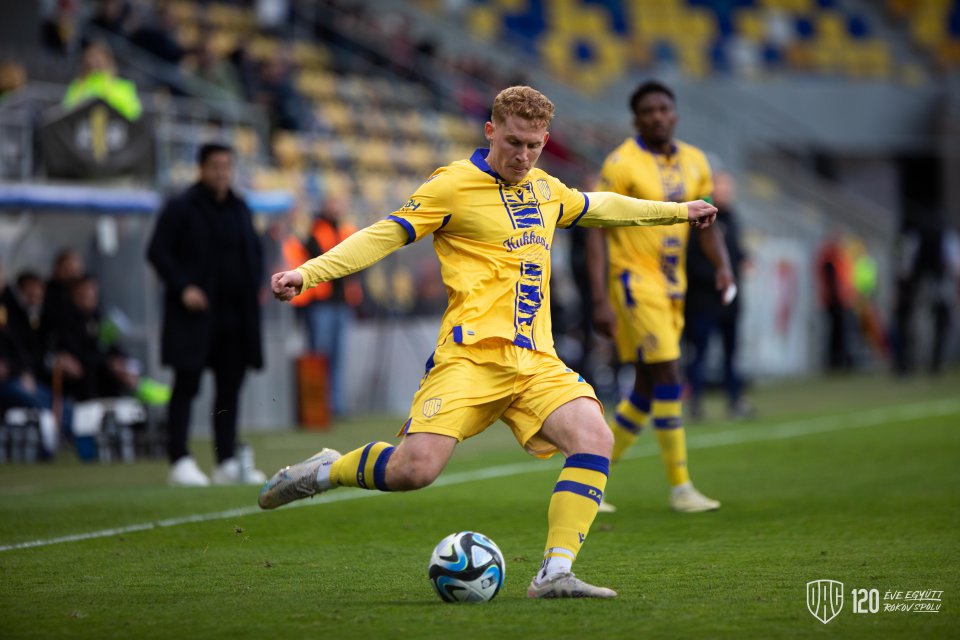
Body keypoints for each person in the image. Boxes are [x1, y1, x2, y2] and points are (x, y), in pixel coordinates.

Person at [260, 86, 717, 599]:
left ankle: (554, 572)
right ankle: (327, 470)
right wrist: (308, 273)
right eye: (514, 143)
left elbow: (602, 205)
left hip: (535, 360)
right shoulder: (452, 185)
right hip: (470, 358)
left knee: (595, 437)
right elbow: (383, 235)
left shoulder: (546, 189)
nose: (523, 156)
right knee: (414, 471)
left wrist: (678, 211)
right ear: (490, 131)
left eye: (534, 146)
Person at [585, 80, 733, 514]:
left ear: (675, 114)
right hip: (633, 283)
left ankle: (588, 480)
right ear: (636, 120)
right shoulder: (620, 163)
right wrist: (599, 299)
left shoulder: (696, 161)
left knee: (647, 391)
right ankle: (681, 488)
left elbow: (707, 221)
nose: (657, 116)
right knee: (670, 373)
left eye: (663, 109)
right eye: (648, 111)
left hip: (673, 285)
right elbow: (596, 231)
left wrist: (722, 265)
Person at [147, 143, 267, 487]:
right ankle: (179, 459)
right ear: (201, 168)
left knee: (229, 389)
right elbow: (157, 251)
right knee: (186, 386)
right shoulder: (182, 207)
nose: (221, 173)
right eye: (215, 166)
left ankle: (226, 460)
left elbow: (254, 254)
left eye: (227, 166)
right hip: (195, 317)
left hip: (235, 317)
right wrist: (183, 286)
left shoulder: (240, 208)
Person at [281, 196, 362, 417]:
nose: (336, 208)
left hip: (341, 303)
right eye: (332, 204)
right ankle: (317, 406)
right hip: (320, 303)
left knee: (338, 356)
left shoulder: (345, 230)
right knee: (319, 356)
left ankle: (336, 405)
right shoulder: (315, 232)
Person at [684, 170, 753, 421]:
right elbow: (691, 261)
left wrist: (744, 260)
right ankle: (695, 403)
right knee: (699, 354)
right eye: (722, 186)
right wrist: (719, 277)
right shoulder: (701, 218)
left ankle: (735, 400)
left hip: (729, 303)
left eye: (729, 187)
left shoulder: (733, 218)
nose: (727, 191)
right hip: (704, 302)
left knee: (731, 355)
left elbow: (735, 252)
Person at [62, 40, 142, 121]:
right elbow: (65, 111)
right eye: (91, 56)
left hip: (115, 127)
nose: (94, 61)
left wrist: (107, 91)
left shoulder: (124, 86)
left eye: (98, 57)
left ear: (107, 59)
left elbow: (134, 114)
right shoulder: (77, 85)